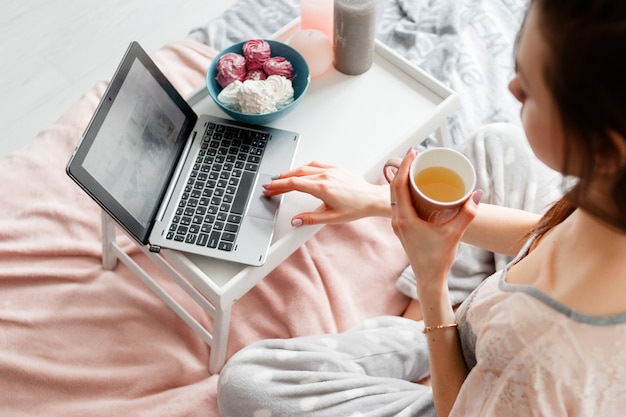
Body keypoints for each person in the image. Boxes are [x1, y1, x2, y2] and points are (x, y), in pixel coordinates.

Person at [217, 0, 626, 415]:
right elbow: (544, 234)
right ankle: (425, 332)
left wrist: (433, 283)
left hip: (469, 392)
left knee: (249, 384)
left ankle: (425, 336)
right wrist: (378, 201)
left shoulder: (541, 356)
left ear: (606, 149)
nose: (512, 89)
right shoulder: (611, 199)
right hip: (490, 325)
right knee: (500, 145)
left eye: (534, 90)